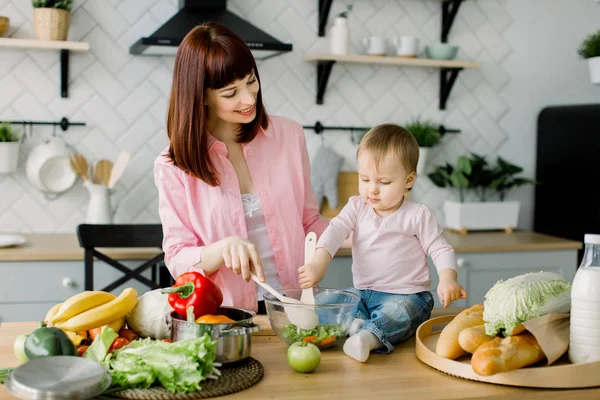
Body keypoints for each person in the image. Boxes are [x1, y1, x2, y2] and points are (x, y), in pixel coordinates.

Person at [154, 22, 329, 313]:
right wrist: (222, 249)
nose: (249, 99)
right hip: (227, 315)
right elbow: (177, 256)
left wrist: (365, 225)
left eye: (251, 81)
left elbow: (310, 222)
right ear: (201, 96)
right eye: (230, 92)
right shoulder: (174, 165)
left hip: (297, 308)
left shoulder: (289, 136)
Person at [298, 124, 467, 362]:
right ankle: (356, 323)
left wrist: (448, 278)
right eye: (365, 179)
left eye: (384, 182)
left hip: (408, 295)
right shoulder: (357, 206)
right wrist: (318, 263)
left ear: (408, 181)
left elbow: (440, 248)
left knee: (398, 314)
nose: (372, 190)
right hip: (364, 293)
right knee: (327, 302)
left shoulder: (418, 214)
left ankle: (367, 337)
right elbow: (334, 231)